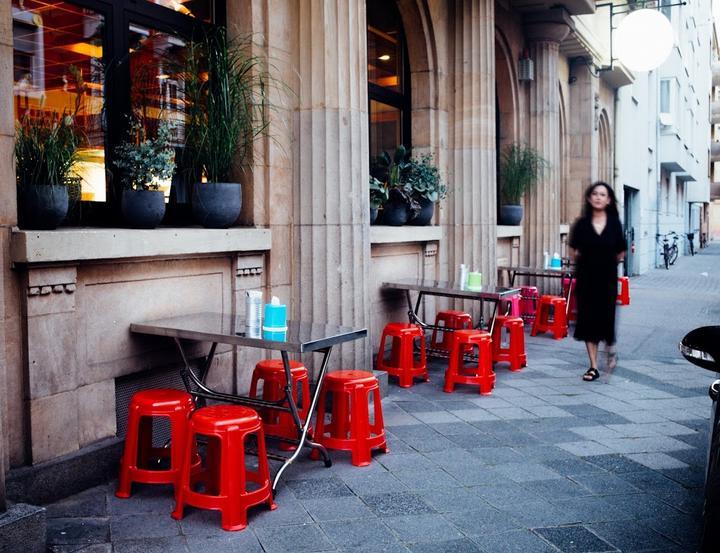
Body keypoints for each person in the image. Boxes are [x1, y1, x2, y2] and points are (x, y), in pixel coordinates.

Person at [569, 182, 626, 381]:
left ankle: (610, 348)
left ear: (608, 199)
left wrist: (606, 262)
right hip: (586, 280)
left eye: (603, 194)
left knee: (605, 319)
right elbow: (574, 251)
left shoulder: (614, 224)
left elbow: (621, 251)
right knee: (587, 321)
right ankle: (593, 366)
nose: (598, 197)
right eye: (595, 194)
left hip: (607, 281)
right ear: (589, 198)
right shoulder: (581, 225)